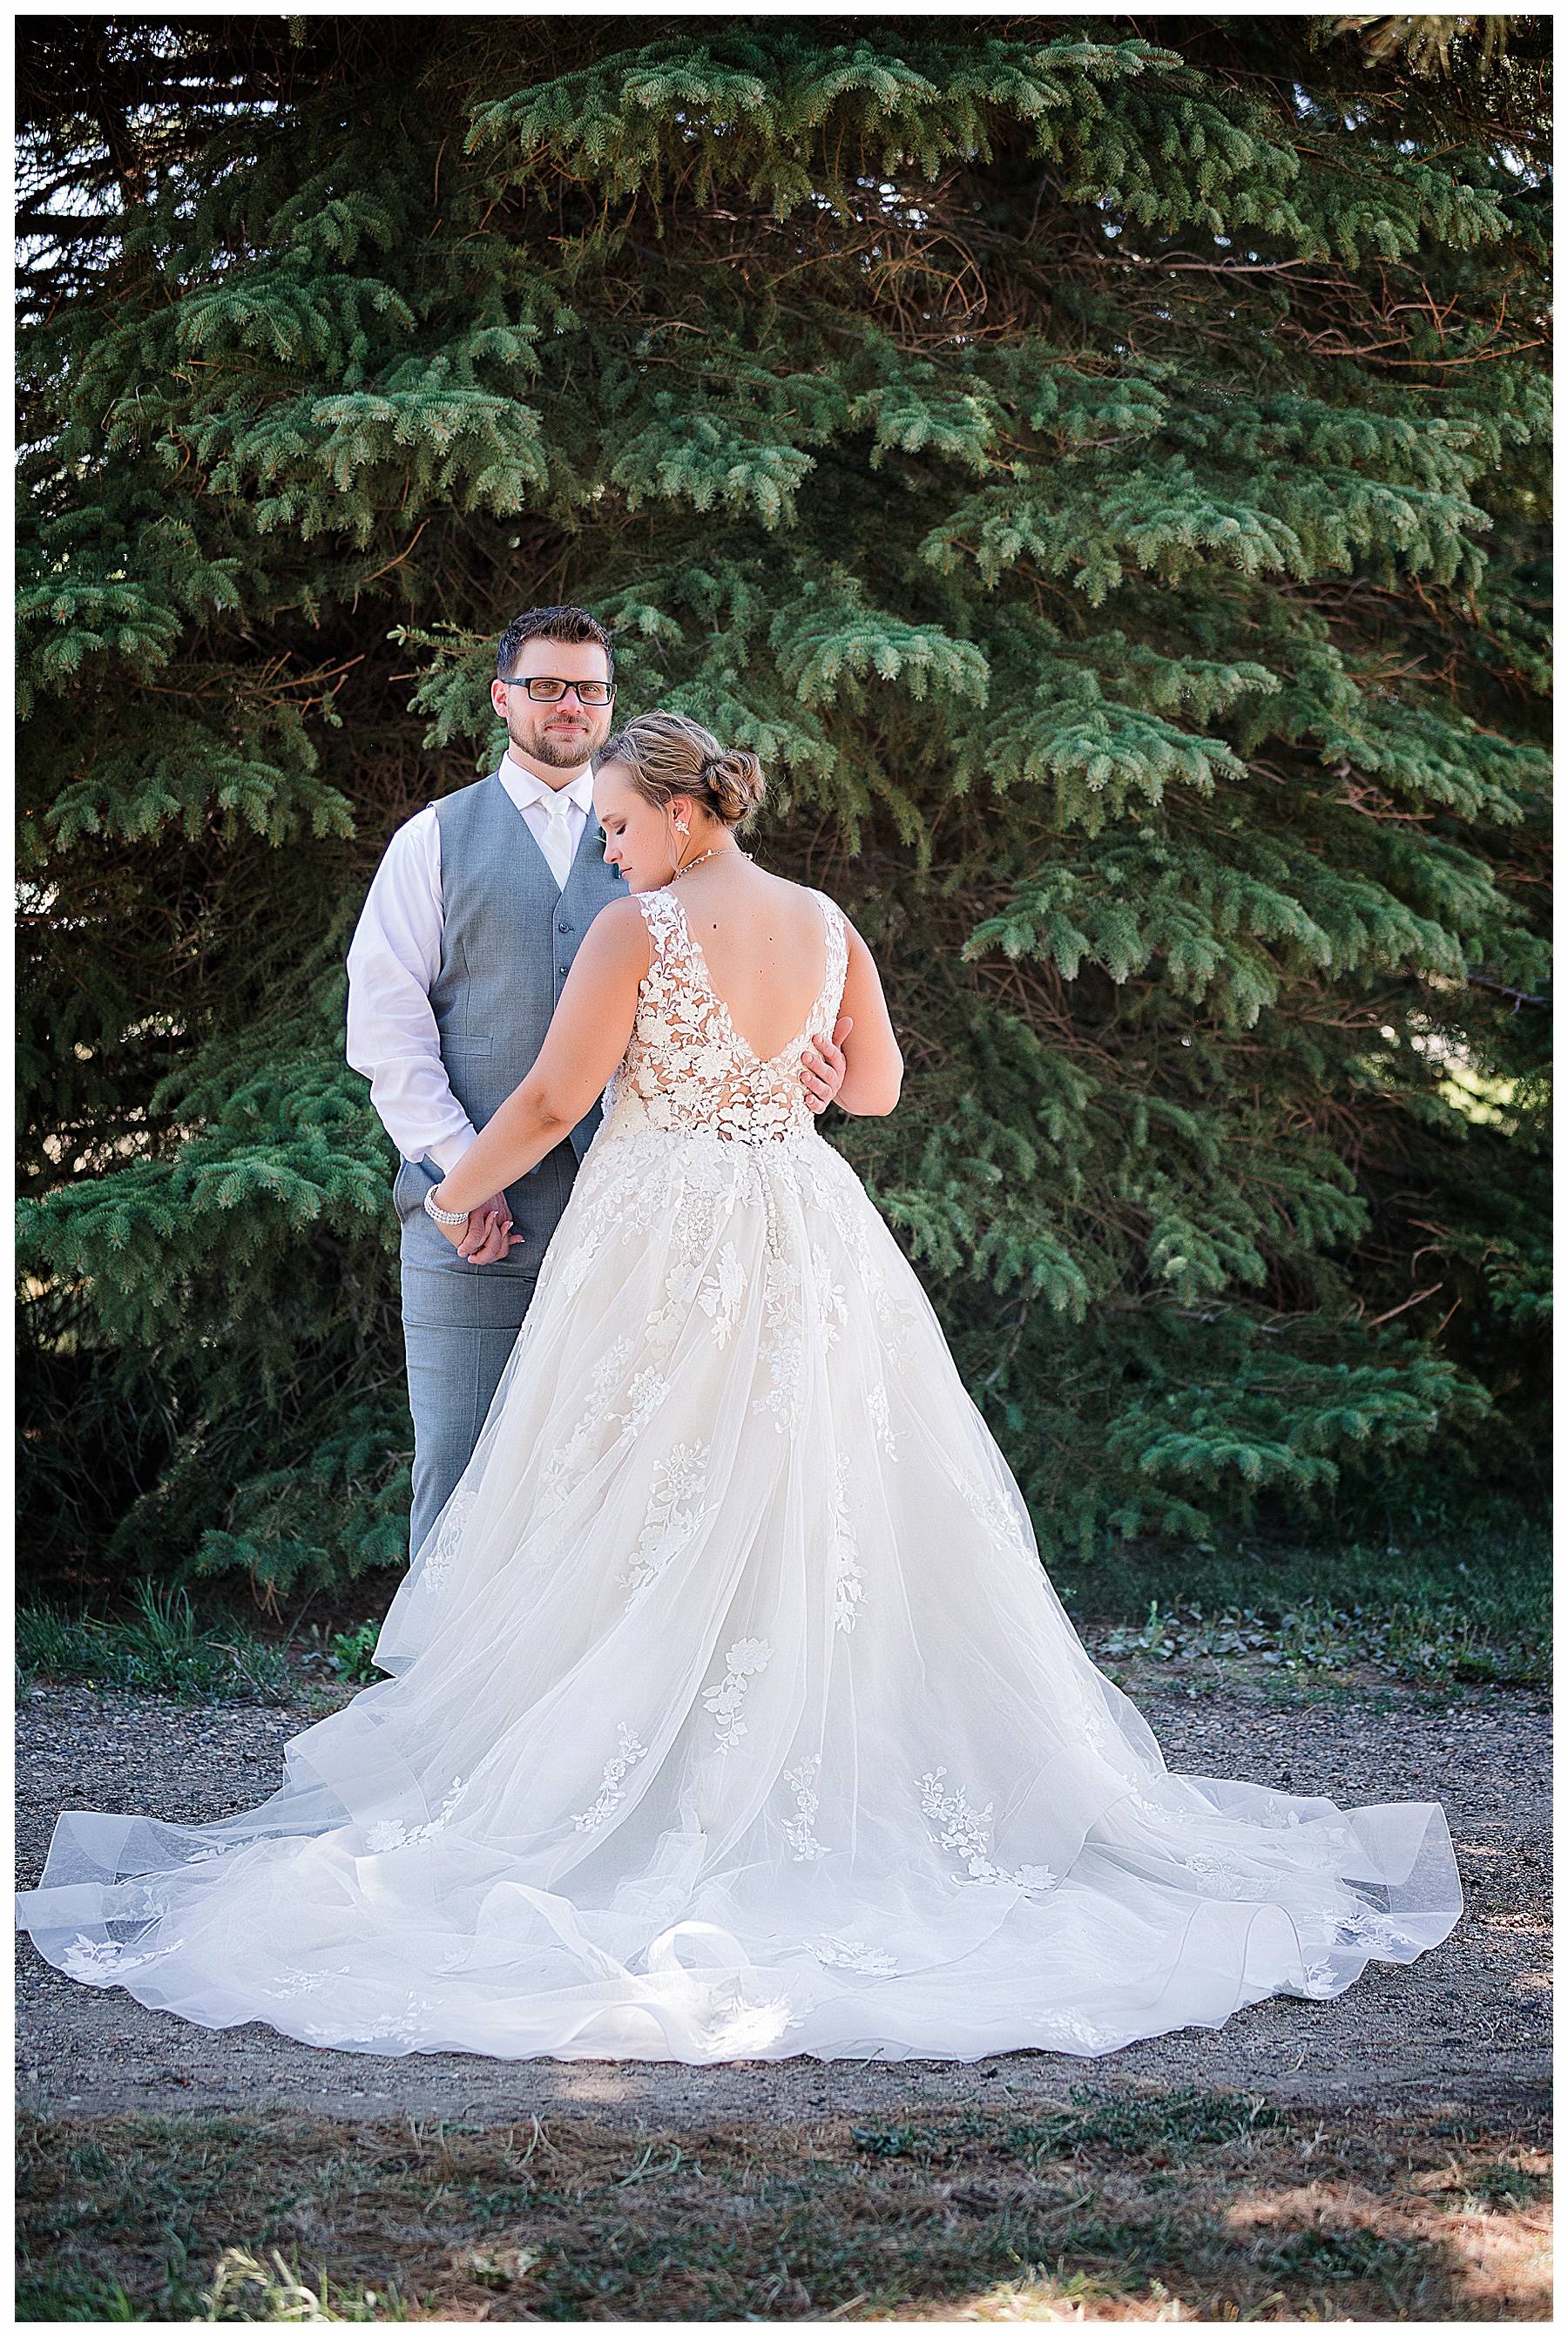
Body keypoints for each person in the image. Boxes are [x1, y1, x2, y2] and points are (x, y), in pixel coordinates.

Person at [17, 713, 1462, 2065]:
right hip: (804, 1222)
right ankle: (753, 1753)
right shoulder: (827, 923)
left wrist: (444, 1190)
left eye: (622, 825)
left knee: (650, 1493)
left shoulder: (638, 930)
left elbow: (543, 1104)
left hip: (664, 1236)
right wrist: (816, 1068)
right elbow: (878, 1089)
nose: (608, 849)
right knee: (799, 1490)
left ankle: (650, 1785)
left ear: (680, 812)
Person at [344, 606, 847, 1559]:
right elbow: (386, 1031)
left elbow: (747, 989)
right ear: (503, 698)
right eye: (547, 685)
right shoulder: (434, 841)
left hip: (648, 1232)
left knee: (628, 1490)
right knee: (459, 1470)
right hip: (479, 1228)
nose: (571, 703)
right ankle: (446, 1700)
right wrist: (463, 1179)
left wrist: (797, 1070)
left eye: (591, 687)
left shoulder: (663, 840)